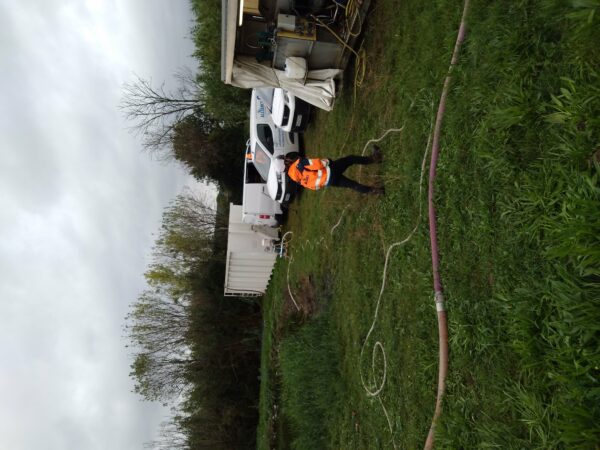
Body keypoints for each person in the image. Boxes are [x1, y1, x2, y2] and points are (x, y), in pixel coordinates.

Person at [285, 146, 384, 194]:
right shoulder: (299, 164)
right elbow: (318, 164)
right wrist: (327, 161)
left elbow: (314, 187)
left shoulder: (297, 180)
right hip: (331, 170)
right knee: (350, 159)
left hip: (330, 182)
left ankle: (376, 190)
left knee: (352, 185)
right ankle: (375, 158)